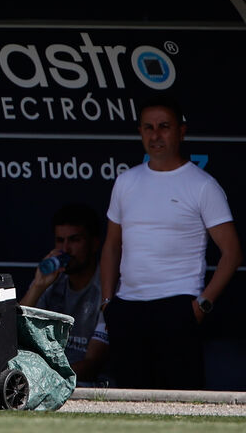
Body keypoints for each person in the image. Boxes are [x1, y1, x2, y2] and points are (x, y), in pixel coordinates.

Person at [100, 94, 243, 389]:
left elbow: (232, 253)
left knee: (180, 402)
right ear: (140, 132)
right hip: (127, 308)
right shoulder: (126, 182)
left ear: (181, 131)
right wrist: (107, 303)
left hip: (178, 307)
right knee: (129, 402)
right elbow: (112, 245)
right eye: (148, 127)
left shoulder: (202, 185)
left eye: (164, 126)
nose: (156, 135)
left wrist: (202, 305)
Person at [20, 203, 109, 383]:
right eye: (60, 241)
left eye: (75, 240)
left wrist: (46, 379)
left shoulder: (108, 285)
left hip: (91, 387)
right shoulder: (51, 281)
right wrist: (38, 286)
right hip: (49, 380)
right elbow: (14, 330)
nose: (66, 249)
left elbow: (92, 364)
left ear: (94, 244)